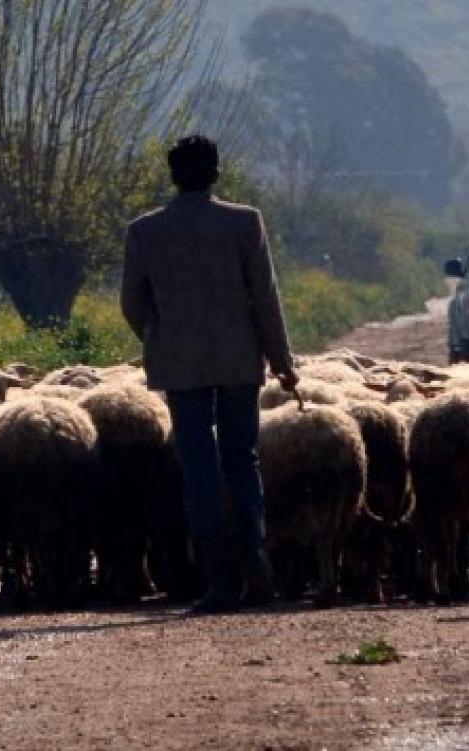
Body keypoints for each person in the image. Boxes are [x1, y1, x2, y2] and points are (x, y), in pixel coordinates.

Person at [120, 134, 298, 614]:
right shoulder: (243, 222)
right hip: (239, 361)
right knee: (242, 459)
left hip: (180, 367)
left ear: (173, 176)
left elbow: (132, 303)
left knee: (198, 467)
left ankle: (218, 581)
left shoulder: (144, 231)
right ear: (216, 172)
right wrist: (282, 361)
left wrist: (160, 338)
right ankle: (255, 564)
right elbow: (265, 295)